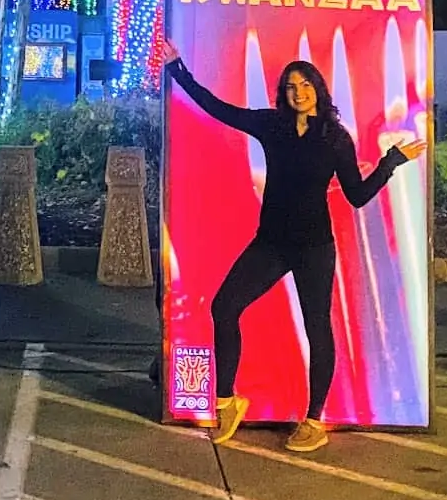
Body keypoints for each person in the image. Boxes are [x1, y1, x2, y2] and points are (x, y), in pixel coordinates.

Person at [156, 35, 426, 454]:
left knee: (317, 328)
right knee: (224, 307)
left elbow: (356, 195)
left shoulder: (335, 139)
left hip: (314, 246)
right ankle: (227, 401)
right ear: (283, 93)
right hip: (272, 242)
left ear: (318, 89)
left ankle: (314, 420)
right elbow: (217, 108)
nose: (298, 92)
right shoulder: (272, 126)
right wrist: (177, 69)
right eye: (290, 86)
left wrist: (391, 162)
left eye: (305, 85)